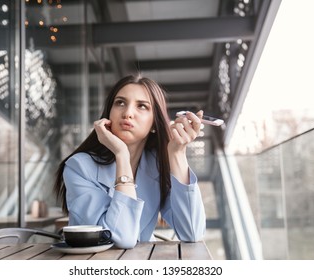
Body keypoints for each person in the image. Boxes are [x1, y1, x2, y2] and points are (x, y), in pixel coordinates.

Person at [53, 74, 206, 249]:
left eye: (141, 106)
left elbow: (193, 232)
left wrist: (177, 153)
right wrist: (122, 155)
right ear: (108, 114)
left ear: (155, 124)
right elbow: (119, 239)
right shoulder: (79, 167)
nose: (127, 113)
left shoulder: (157, 166)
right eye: (120, 103)